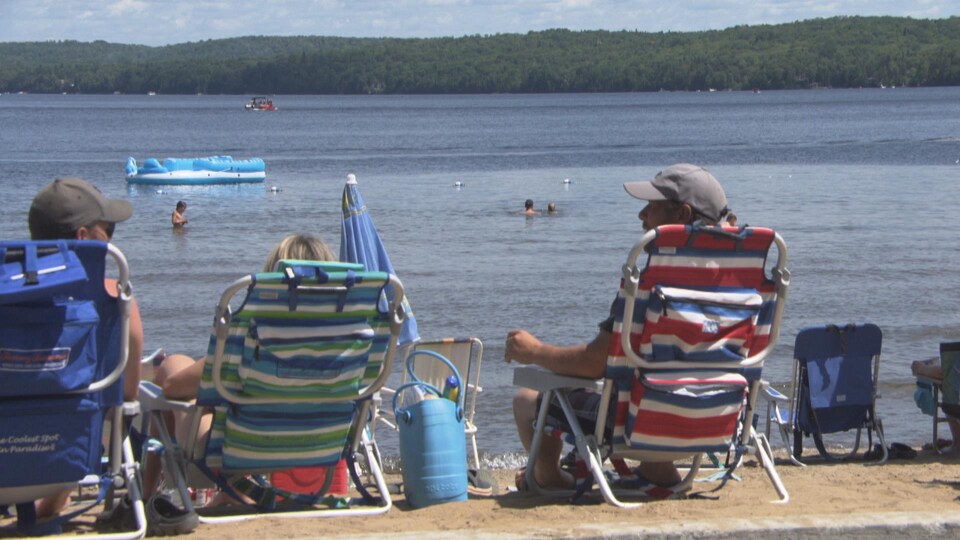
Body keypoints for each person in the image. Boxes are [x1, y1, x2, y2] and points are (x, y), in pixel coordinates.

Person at [506, 163, 729, 491]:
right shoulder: (740, 283)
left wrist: (534, 351)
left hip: (643, 425)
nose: (642, 215)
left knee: (527, 399)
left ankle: (548, 476)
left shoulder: (648, 285)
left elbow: (594, 363)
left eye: (652, 207)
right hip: (716, 419)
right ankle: (658, 470)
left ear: (682, 215)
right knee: (657, 383)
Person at [143, 233, 336, 504]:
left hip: (233, 448)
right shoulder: (343, 340)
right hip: (318, 443)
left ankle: (144, 495)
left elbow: (172, 387)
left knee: (171, 367)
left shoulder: (251, 334)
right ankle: (229, 496)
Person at [27, 177, 145, 518]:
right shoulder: (115, 298)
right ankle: (55, 499)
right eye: (108, 229)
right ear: (83, 237)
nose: (111, 236)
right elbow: (126, 392)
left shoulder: (11, 301)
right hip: (77, 433)